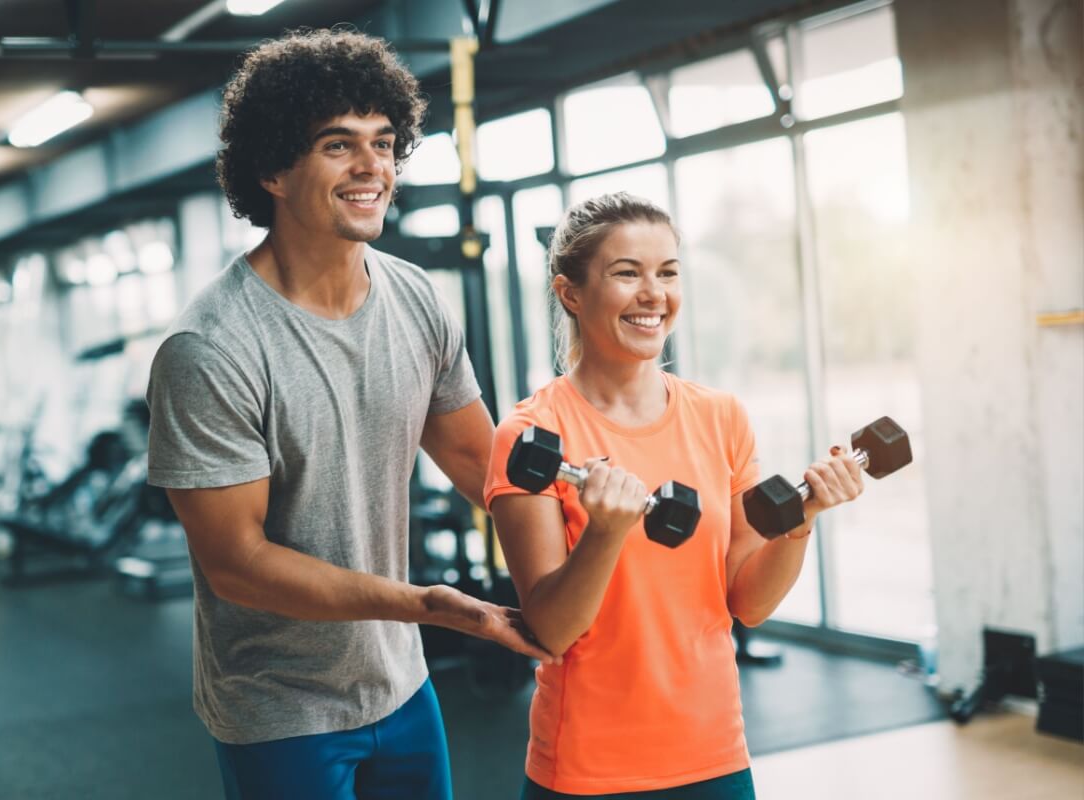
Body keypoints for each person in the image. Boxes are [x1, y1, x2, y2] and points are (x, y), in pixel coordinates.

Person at [146, 29, 554, 800]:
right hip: (278, 705)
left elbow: (481, 464)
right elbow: (239, 564)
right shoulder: (211, 347)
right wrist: (428, 605)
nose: (374, 168)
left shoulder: (414, 297)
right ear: (271, 168)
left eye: (385, 143)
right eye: (340, 146)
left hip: (400, 683)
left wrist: (590, 528)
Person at [484, 193, 866, 799]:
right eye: (626, 273)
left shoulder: (720, 417)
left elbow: (747, 601)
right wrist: (605, 533)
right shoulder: (533, 435)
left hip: (714, 754)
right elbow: (552, 629)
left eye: (666, 272)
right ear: (570, 293)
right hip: (589, 768)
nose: (653, 293)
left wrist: (801, 520)